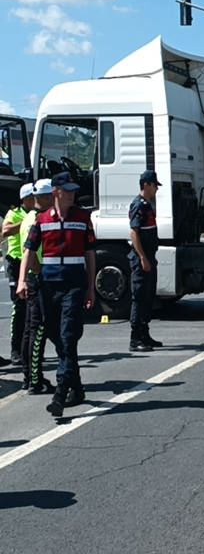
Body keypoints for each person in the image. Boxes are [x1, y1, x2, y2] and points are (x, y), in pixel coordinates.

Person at [18, 171, 96, 417]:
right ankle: (77, 386)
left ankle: (61, 393)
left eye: (74, 190)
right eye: (68, 190)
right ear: (56, 192)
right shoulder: (41, 220)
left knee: (68, 334)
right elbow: (29, 252)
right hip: (48, 286)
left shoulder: (83, 218)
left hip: (74, 285)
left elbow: (90, 254)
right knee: (55, 334)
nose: (72, 194)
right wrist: (22, 280)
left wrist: (91, 286)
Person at [18, 179, 53, 393]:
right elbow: (28, 253)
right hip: (37, 277)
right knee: (38, 329)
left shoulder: (30, 217)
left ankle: (29, 376)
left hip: (33, 276)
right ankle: (35, 379)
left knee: (30, 330)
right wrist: (40, 271)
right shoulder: (36, 220)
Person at [128, 170, 163, 352]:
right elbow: (134, 232)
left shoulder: (148, 205)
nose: (156, 188)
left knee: (148, 297)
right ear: (146, 185)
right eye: (155, 185)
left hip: (149, 256)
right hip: (142, 258)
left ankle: (145, 333)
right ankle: (135, 338)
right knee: (139, 297)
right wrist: (142, 257)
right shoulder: (139, 205)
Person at [2, 183, 33, 366]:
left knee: (32, 309)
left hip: (31, 263)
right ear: (25, 199)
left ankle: (27, 349)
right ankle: (16, 350)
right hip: (16, 261)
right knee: (19, 308)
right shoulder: (15, 213)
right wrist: (25, 223)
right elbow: (5, 231)